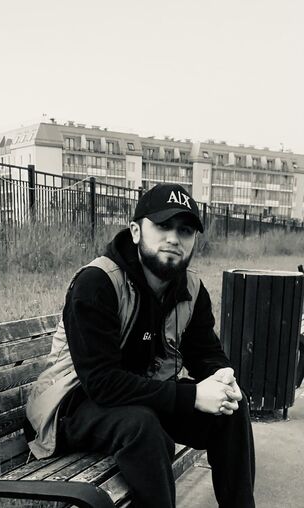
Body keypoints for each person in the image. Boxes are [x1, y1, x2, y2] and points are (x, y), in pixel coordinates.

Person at [26, 183, 255, 508]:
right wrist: (192, 396)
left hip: (141, 400)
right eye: (162, 225)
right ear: (135, 231)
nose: (174, 238)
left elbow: (205, 353)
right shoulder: (97, 283)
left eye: (185, 230)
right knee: (143, 427)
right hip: (72, 408)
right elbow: (101, 383)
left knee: (231, 408)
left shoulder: (191, 288)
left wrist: (222, 378)